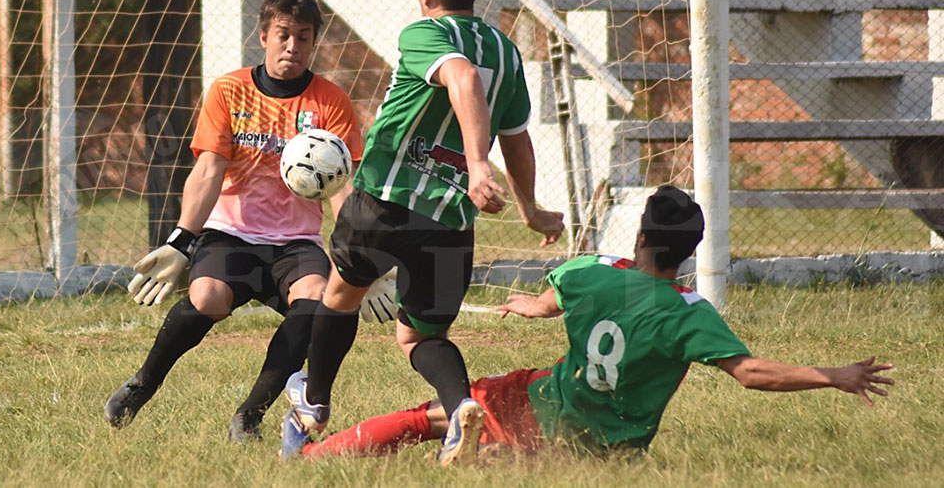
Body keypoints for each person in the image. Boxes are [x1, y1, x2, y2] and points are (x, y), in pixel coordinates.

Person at [292, 185, 895, 460]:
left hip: (549, 409)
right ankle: (499, 454)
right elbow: (753, 373)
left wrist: (531, 306)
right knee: (505, 439)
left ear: (638, 236)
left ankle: (314, 458)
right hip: (615, 448)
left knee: (434, 416)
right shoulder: (691, 315)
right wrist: (832, 374)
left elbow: (555, 293)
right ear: (691, 252)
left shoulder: (592, 272)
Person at [281, 0, 565, 465]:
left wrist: (478, 163)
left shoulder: (424, 33)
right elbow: (518, 135)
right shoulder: (506, 52)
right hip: (450, 222)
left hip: (384, 203)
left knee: (341, 294)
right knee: (419, 337)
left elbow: (460, 78)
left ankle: (314, 400)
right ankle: (459, 411)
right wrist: (529, 207)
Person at [103, 0, 364, 442]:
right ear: (262, 35)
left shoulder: (331, 103)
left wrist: (359, 254)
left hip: (296, 243)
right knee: (207, 300)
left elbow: (341, 189)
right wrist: (183, 239)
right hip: (232, 235)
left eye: (303, 36)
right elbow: (208, 170)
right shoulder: (229, 90)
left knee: (318, 304)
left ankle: (250, 415)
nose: (292, 46)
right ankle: (143, 383)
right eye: (283, 34)